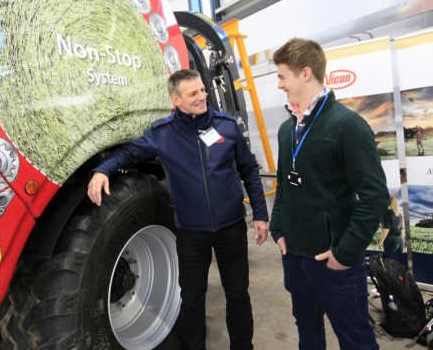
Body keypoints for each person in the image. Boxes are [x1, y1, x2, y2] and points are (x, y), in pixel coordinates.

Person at [88, 69, 269, 350]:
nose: (202, 97)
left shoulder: (227, 126)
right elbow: (129, 152)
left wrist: (260, 214)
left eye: (202, 90)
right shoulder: (163, 134)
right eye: (193, 93)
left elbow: (250, 170)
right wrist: (102, 170)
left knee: (238, 295)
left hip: (231, 228)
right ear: (176, 100)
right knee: (192, 300)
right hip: (191, 234)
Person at [269, 38, 389, 350]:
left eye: (282, 76)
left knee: (356, 339)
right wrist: (278, 228)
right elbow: (284, 184)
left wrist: (345, 254)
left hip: (333, 262)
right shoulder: (286, 130)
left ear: (305, 73)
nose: (279, 84)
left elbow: (375, 196)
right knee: (307, 332)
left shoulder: (348, 125)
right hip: (295, 258)